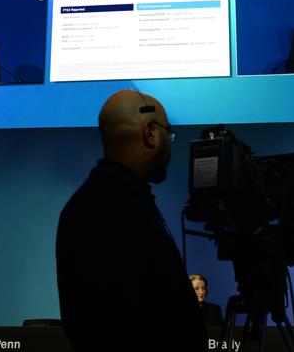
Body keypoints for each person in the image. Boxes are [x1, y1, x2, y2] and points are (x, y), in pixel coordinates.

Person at [55, 90, 207, 352]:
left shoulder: (88, 204)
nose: (170, 144)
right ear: (150, 132)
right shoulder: (120, 209)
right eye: (167, 134)